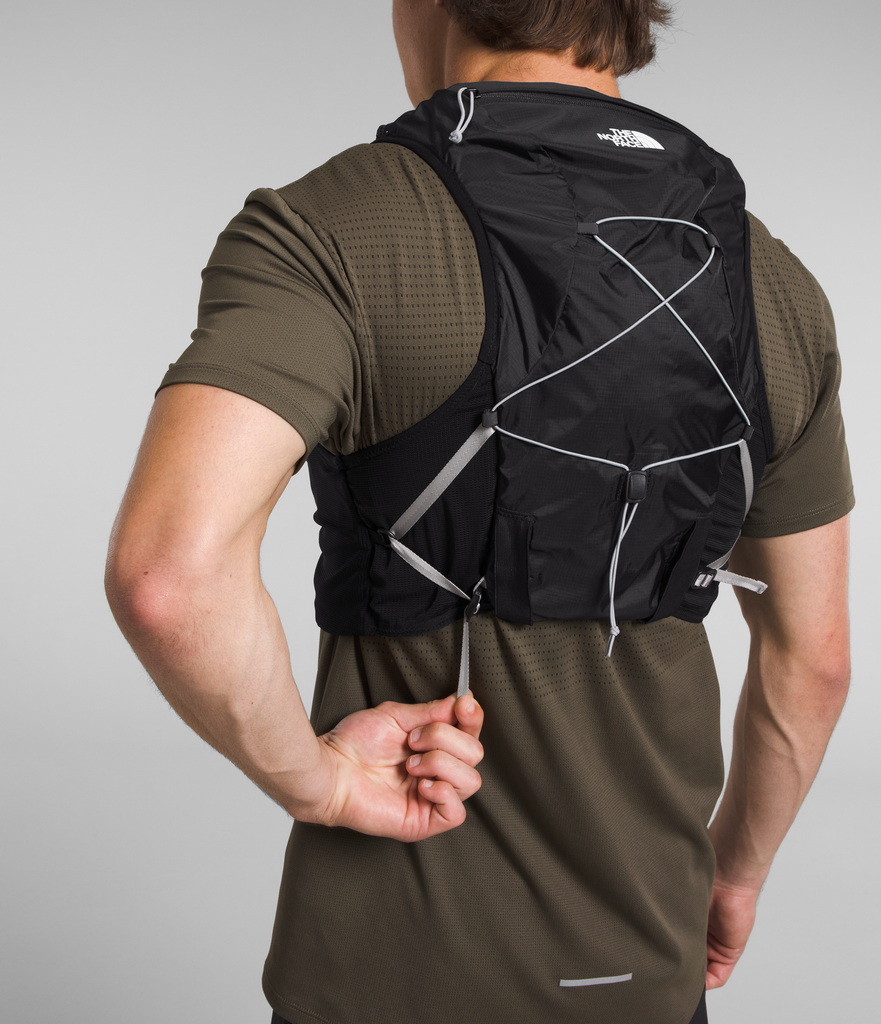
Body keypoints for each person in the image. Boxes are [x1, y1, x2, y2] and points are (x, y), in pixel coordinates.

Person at [105, 2, 853, 1022]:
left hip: (384, 977)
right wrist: (733, 875)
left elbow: (168, 580)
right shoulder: (774, 283)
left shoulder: (332, 226)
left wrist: (318, 781)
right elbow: (812, 660)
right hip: (645, 961)